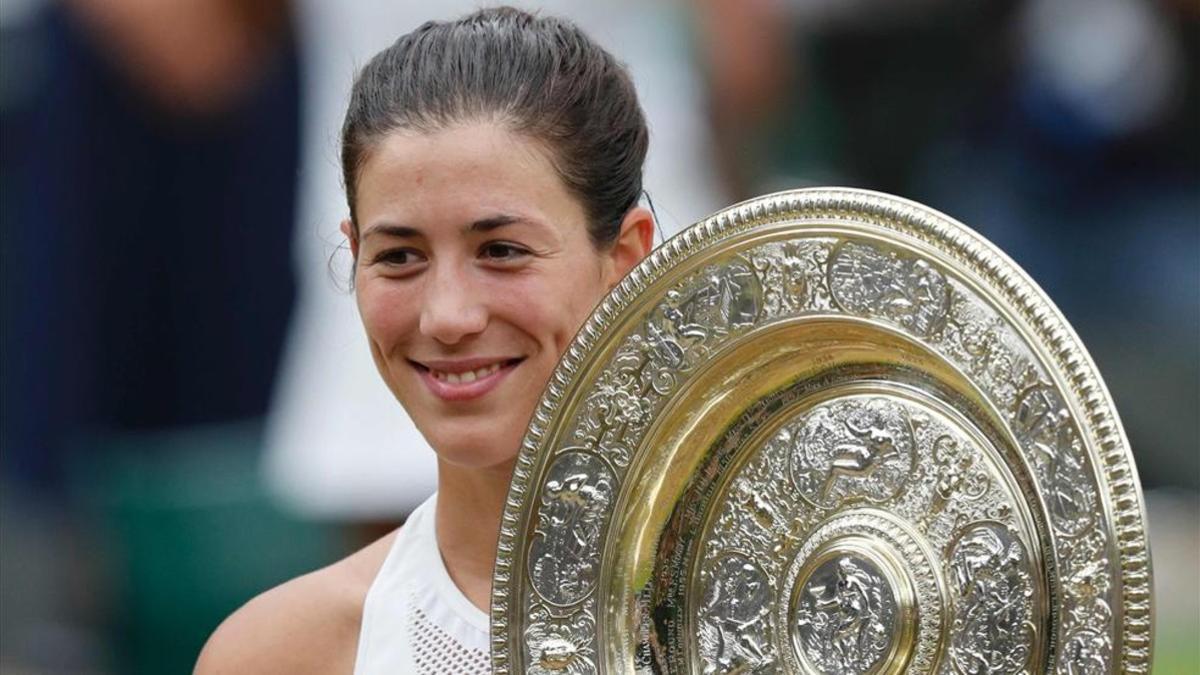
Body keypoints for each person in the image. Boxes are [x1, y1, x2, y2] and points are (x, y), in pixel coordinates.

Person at [195, 7, 655, 673]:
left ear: (625, 259)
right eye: (400, 257)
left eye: (501, 249)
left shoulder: (801, 604)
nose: (446, 316)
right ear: (353, 255)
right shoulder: (282, 652)